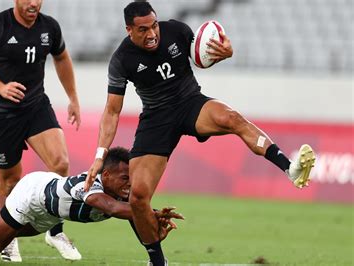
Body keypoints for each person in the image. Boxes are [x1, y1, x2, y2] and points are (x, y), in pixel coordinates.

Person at [85, 2, 316, 265]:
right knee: (138, 197)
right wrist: (99, 155)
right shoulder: (121, 60)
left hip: (190, 103)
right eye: (143, 30)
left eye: (154, 26)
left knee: (232, 118)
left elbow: (203, 56)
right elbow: (112, 111)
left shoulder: (176, 31)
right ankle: (157, 260)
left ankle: (290, 168)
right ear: (129, 30)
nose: (152, 34)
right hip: (156, 119)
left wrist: (225, 52)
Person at [0, 0, 81, 261]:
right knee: (10, 181)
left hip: (36, 106)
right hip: (3, 114)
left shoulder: (49, 27)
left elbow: (61, 57)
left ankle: (55, 231)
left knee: (60, 164)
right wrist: (0, 87)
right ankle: (6, 237)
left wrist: (73, 98)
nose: (33, 3)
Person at [0, 147, 183, 263]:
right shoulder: (89, 185)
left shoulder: (126, 195)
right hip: (31, 196)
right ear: (106, 176)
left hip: (49, 215)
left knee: (9, 224)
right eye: (125, 178)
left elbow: (134, 216)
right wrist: (152, 214)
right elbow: (115, 210)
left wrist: (156, 257)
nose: (130, 184)